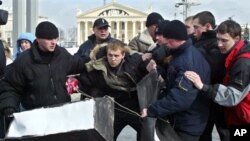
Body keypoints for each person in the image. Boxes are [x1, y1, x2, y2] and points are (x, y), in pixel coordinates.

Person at [0, 21, 86, 127]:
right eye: (49, 39)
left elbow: (80, 64)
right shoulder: (24, 60)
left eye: (55, 38)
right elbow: (10, 86)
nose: (53, 42)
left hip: (61, 116)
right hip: (35, 119)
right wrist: (9, 106)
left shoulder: (62, 54)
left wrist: (98, 57)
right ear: (38, 39)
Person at [140, 20, 211, 141]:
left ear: (172, 40)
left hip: (187, 124)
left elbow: (180, 99)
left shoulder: (186, 62)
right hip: (185, 119)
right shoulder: (183, 53)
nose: (164, 44)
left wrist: (152, 110)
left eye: (166, 41)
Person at [78, 40, 156, 141]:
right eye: (110, 55)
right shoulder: (99, 67)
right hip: (114, 109)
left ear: (123, 55)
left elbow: (148, 75)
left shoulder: (133, 62)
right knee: (105, 137)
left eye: (116, 56)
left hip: (134, 107)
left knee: (147, 136)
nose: (113, 59)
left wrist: (150, 69)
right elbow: (85, 82)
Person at [185, 20, 250, 126]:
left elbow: (232, 97)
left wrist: (203, 86)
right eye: (218, 39)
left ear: (237, 39)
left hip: (242, 120)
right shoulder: (233, 53)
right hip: (235, 115)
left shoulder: (243, 63)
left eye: (224, 40)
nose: (219, 44)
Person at [192, 11, 229, 141]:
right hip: (204, 99)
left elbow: (215, 69)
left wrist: (196, 51)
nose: (193, 31)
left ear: (207, 26)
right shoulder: (196, 42)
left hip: (217, 99)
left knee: (225, 134)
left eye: (196, 27)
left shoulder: (217, 44)